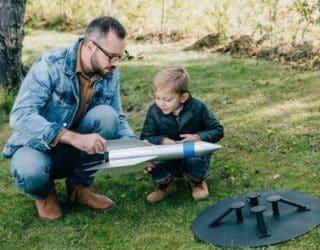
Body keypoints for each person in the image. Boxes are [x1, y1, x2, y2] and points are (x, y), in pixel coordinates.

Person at [2, 16, 137, 220]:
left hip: (75, 152)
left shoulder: (109, 71)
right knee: (28, 170)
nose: (116, 64)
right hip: (38, 147)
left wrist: (137, 147)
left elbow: (117, 114)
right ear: (91, 46)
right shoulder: (50, 64)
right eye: (112, 56)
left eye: (120, 56)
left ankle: (79, 186)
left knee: (107, 117)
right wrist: (74, 138)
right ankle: (44, 193)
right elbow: (20, 115)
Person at [140, 65, 224, 203]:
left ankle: (197, 181)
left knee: (194, 157)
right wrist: (162, 140)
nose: (161, 104)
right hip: (167, 156)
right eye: (158, 98)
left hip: (192, 154)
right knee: (153, 159)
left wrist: (197, 137)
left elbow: (217, 130)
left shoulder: (198, 107)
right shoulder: (154, 111)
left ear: (183, 97)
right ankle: (165, 185)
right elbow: (145, 137)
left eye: (167, 100)